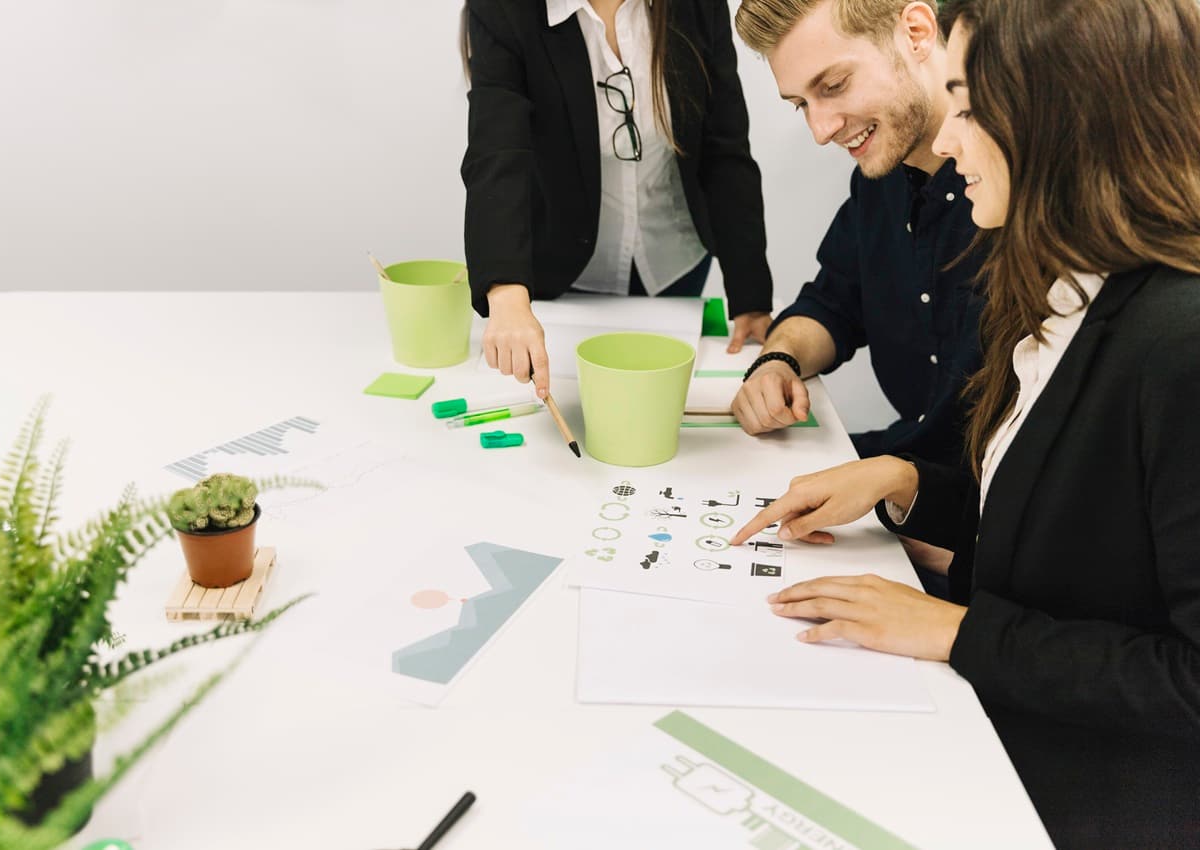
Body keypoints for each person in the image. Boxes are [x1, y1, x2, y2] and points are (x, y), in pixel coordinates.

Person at [732, 0, 1200, 843]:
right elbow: (1066, 539)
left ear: (1063, 113)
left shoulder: (1178, 338)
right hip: (995, 714)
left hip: (1076, 791)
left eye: (969, 103)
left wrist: (957, 630)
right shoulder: (1062, 294)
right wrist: (911, 485)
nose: (946, 142)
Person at [462, 0, 775, 400]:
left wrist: (750, 296)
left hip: (673, 258)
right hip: (564, 269)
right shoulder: (502, 9)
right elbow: (497, 152)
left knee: (665, 403)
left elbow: (725, 149)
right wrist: (506, 294)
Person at [731, 0, 982, 467]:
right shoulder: (881, 174)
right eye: (802, 104)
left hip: (979, 504)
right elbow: (834, 301)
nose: (821, 131)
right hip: (908, 468)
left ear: (917, 31)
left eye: (834, 85)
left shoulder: (1014, 192)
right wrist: (777, 360)